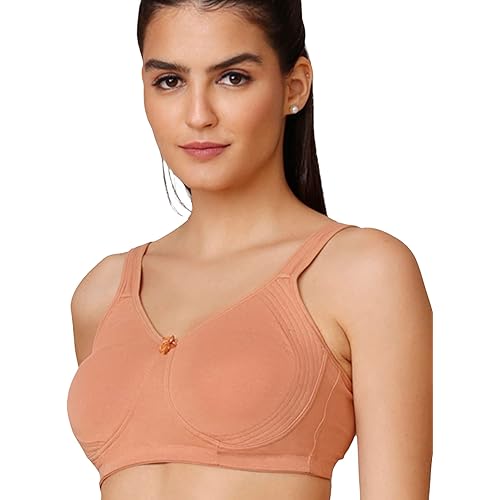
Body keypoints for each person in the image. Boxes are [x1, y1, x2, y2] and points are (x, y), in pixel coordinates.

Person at [67, 1, 433, 499]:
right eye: (170, 81)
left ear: (294, 87)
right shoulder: (102, 293)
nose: (198, 115)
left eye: (232, 78)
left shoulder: (361, 271)